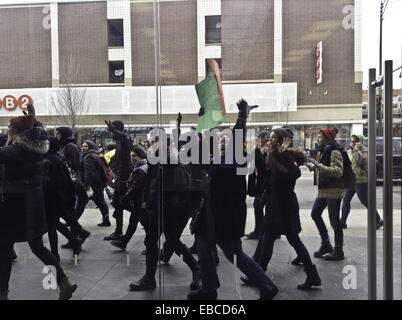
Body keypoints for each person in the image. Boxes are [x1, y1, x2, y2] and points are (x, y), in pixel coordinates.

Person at [188, 99, 278, 300]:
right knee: (203, 246)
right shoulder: (216, 160)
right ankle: (209, 289)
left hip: (226, 215)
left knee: (234, 254)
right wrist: (204, 120)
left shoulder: (235, 161)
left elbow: (237, 138)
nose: (222, 143)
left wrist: (242, 117)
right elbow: (208, 141)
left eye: (226, 142)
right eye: (221, 141)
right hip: (211, 215)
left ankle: (267, 286)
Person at [0, 114, 77, 300]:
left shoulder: (20, 148)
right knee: (37, 246)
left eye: (10, 128)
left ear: (17, 132)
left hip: (16, 205)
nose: (7, 131)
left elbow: (5, 154)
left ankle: (2, 293)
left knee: (3, 248)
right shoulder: (34, 148)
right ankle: (63, 282)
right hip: (33, 201)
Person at [242, 128, 321, 290]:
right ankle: (311, 275)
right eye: (269, 138)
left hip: (284, 207)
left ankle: (260, 275)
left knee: (287, 240)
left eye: (273, 138)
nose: (269, 141)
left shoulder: (287, 156)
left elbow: (293, 174)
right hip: (274, 206)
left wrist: (282, 155)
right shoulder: (273, 156)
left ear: (281, 141)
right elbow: (265, 176)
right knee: (268, 239)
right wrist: (257, 153)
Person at [43, 137, 91, 261]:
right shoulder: (60, 158)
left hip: (51, 196)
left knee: (52, 224)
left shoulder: (47, 160)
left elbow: (47, 180)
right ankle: (77, 236)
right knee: (58, 221)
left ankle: (57, 253)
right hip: (63, 195)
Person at [308, 128, 345, 261]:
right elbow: (322, 166)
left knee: (335, 221)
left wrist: (318, 166)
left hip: (334, 190)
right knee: (315, 213)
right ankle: (326, 244)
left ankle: (339, 250)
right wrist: (311, 165)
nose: (317, 139)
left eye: (319, 138)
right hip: (324, 189)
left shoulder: (334, 151)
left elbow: (337, 171)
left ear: (327, 139)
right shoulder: (324, 150)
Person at [341, 134, 383, 229]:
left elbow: (362, 160)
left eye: (355, 141)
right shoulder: (348, 151)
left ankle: (378, 220)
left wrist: (356, 150)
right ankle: (342, 222)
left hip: (361, 180)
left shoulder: (365, 150)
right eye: (351, 141)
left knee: (365, 202)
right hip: (351, 180)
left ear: (360, 141)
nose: (353, 143)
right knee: (346, 200)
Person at [110, 148, 148, 250]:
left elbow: (135, 188)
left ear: (141, 156)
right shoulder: (143, 166)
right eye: (131, 156)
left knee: (147, 226)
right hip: (140, 202)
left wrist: (123, 199)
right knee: (133, 222)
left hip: (141, 202)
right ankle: (124, 242)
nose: (132, 158)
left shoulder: (140, 169)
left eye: (134, 156)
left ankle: (151, 246)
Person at [104, 120, 133, 241]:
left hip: (125, 178)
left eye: (112, 130)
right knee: (117, 203)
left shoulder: (125, 139)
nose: (110, 134)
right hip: (120, 177)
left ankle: (145, 218)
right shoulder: (119, 142)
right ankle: (118, 231)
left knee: (124, 203)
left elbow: (123, 136)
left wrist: (114, 130)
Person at [74, 140, 110, 226]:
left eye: (85, 146)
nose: (83, 148)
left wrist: (86, 185)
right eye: (82, 146)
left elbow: (89, 172)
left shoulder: (89, 157)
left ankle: (73, 221)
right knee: (100, 202)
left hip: (91, 185)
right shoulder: (97, 154)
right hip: (98, 183)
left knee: (81, 203)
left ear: (90, 147)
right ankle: (106, 220)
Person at [245, 129, 269, 239]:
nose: (258, 140)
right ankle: (269, 231)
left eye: (260, 138)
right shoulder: (258, 151)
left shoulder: (266, 151)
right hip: (261, 184)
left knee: (258, 206)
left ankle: (259, 231)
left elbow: (263, 168)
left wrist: (256, 152)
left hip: (265, 185)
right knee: (264, 207)